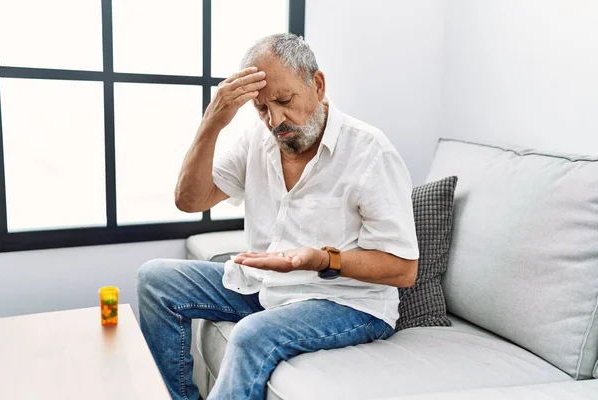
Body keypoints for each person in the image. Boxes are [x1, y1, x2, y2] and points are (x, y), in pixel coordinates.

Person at [137, 33, 419, 400]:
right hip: (267, 286)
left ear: (317, 85)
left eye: (285, 101)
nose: (275, 120)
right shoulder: (259, 139)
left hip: (347, 303)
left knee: (251, 335)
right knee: (156, 279)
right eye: (262, 108)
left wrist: (321, 259)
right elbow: (190, 200)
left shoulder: (369, 151)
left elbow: (403, 268)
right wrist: (212, 123)